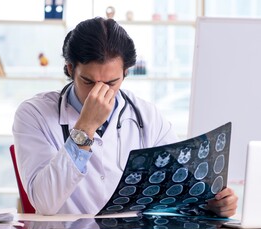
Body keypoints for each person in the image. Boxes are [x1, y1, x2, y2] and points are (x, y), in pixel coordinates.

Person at [12, 17, 238, 216]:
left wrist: (211, 204)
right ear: (70, 69)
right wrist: (85, 127)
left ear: (126, 73)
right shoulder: (34, 114)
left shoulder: (147, 116)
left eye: (111, 82)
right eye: (88, 81)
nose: (98, 93)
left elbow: (178, 189)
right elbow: (44, 202)